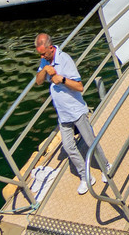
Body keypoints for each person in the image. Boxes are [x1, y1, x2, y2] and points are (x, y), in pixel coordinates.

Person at [34, 32, 109, 195]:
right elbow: (38, 81)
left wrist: (61, 79)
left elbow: (80, 87)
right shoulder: (45, 60)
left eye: (43, 53)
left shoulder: (65, 60)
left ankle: (106, 166)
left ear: (51, 47)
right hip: (63, 115)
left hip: (76, 111)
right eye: (39, 54)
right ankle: (85, 175)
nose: (42, 56)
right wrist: (45, 69)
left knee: (91, 142)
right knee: (68, 147)